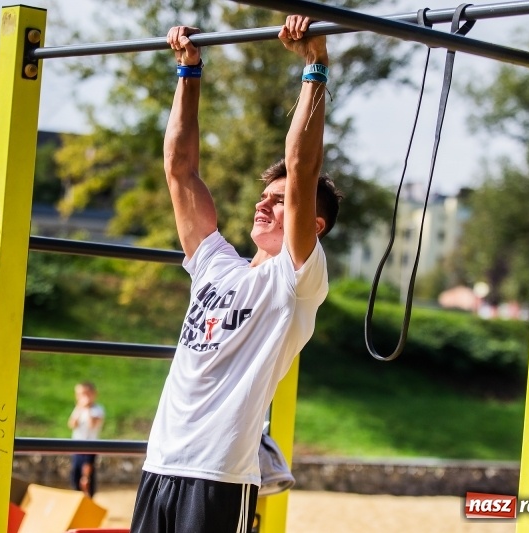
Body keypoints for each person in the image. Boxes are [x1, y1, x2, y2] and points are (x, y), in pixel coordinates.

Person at [130, 15, 341, 533]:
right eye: (263, 197)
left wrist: (314, 68)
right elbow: (180, 170)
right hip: (160, 464)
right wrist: (188, 71)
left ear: (312, 226)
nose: (262, 206)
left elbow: (303, 168)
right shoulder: (214, 264)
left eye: (280, 202)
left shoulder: (296, 281)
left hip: (219, 479)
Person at [68, 381, 105, 497]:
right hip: (76, 446)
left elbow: (92, 424)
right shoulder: (78, 409)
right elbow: (72, 424)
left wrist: (87, 408)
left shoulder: (97, 409)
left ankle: (89, 498)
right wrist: (79, 409)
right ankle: (77, 496)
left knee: (87, 476)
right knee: (75, 473)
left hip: (90, 446)